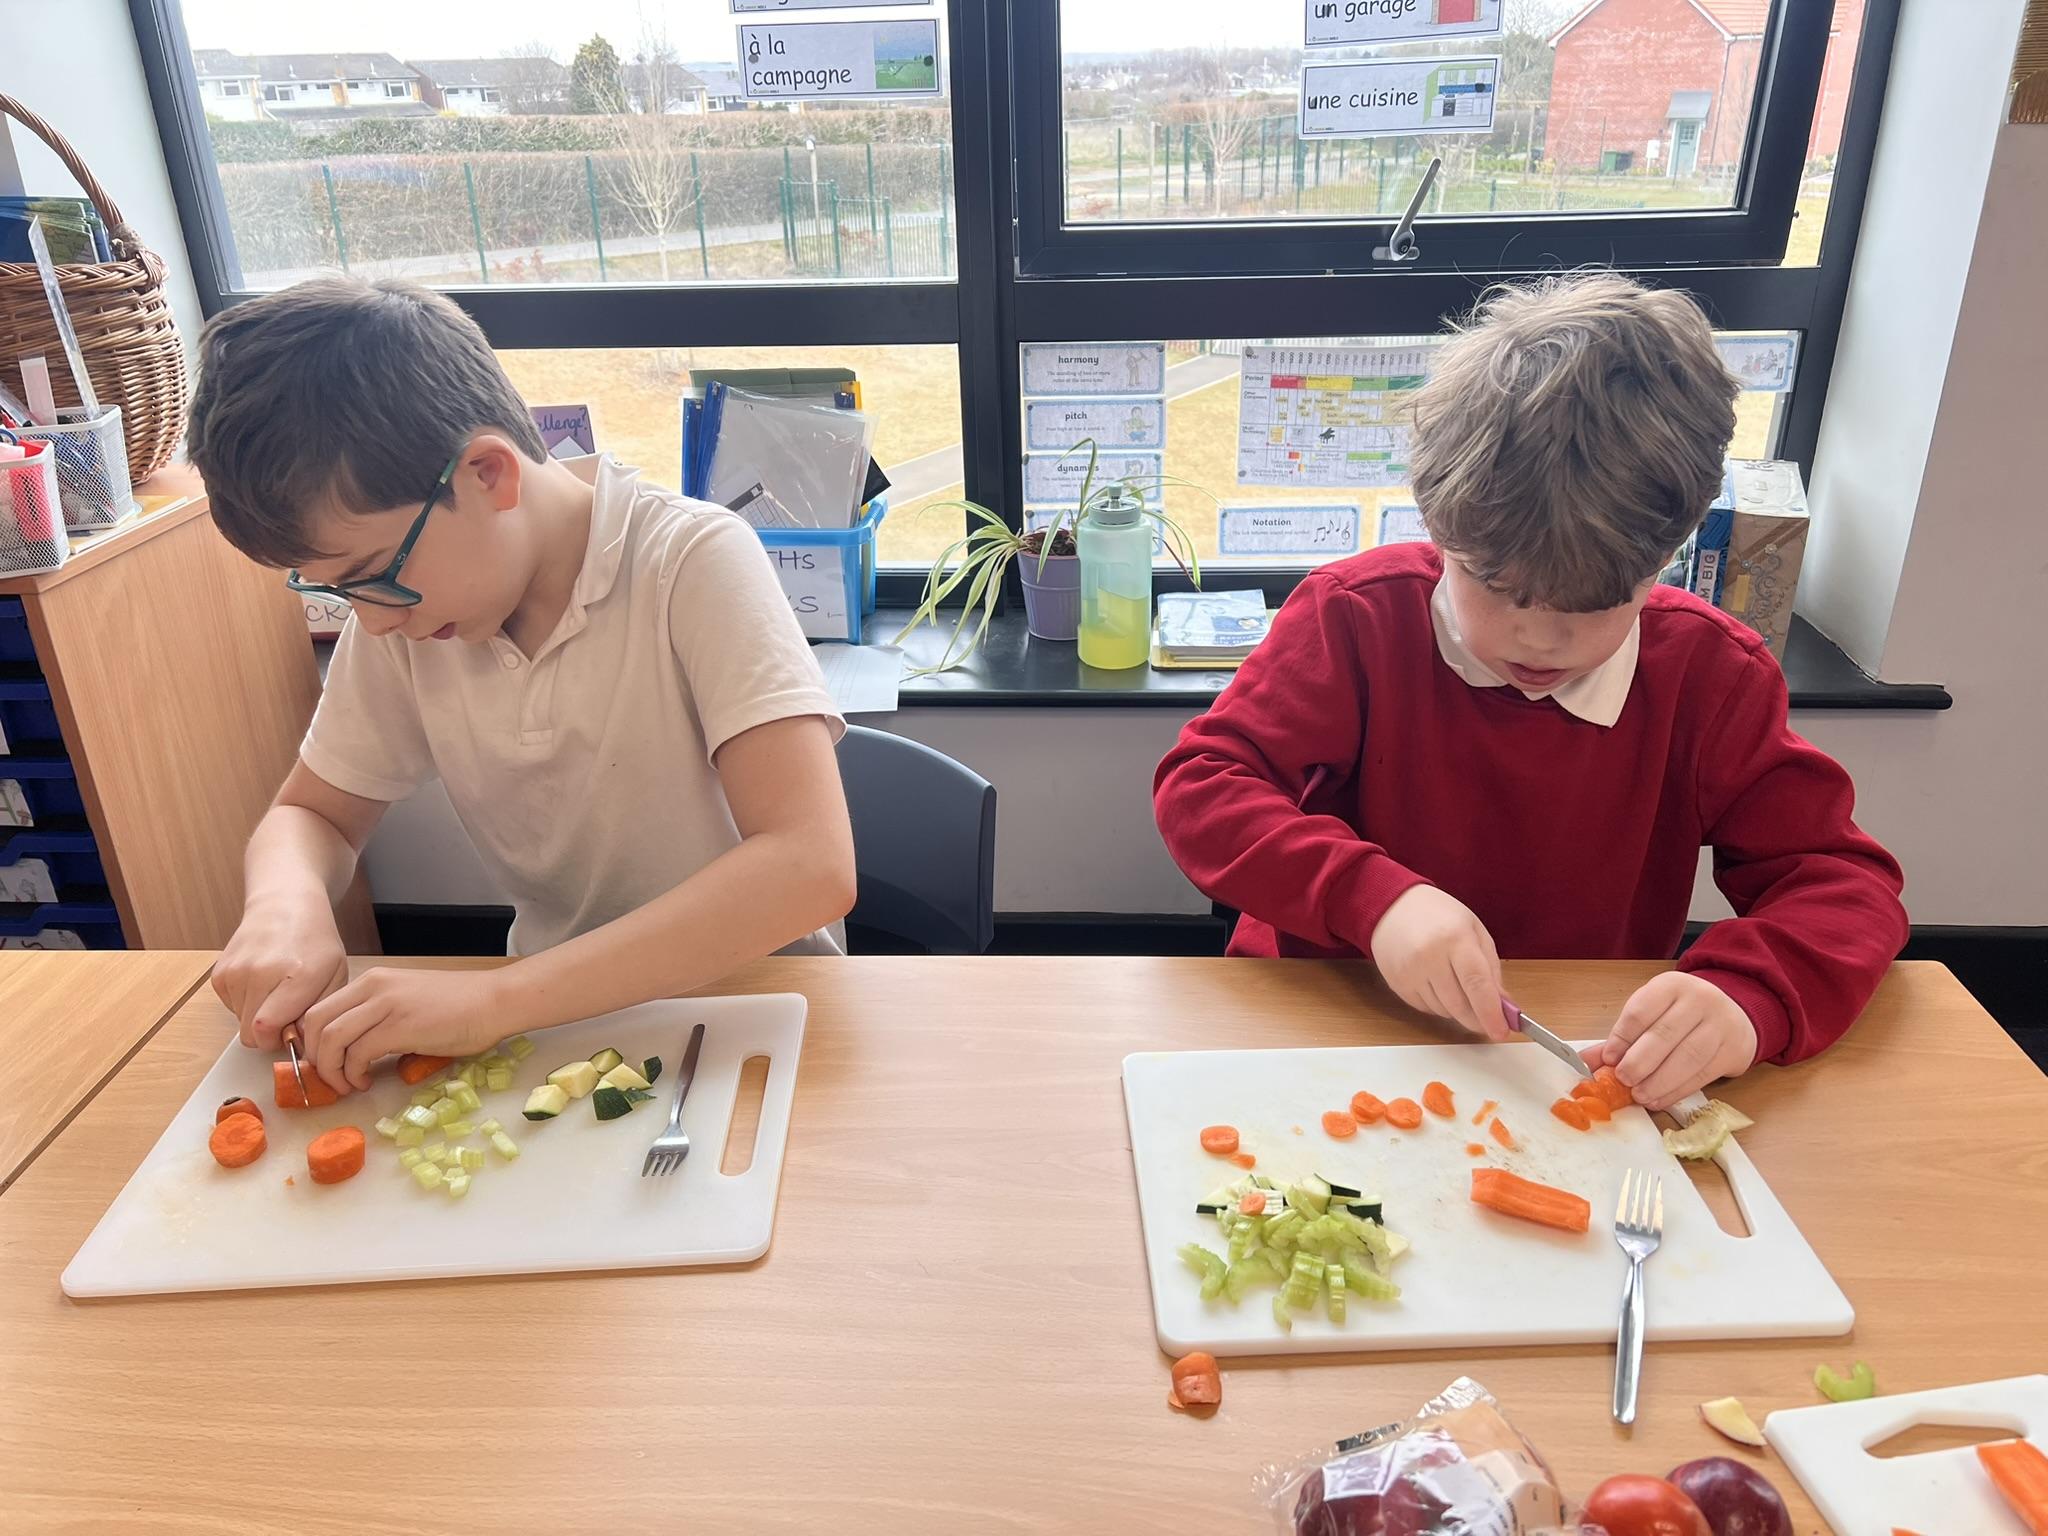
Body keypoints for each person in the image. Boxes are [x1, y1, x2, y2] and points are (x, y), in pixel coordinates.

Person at [1154, 273, 1906, 1110]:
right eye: (1500, 588)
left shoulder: (1711, 675)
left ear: (1665, 560)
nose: (1540, 640)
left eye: (1593, 605)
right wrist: (1374, 902)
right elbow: (1203, 787)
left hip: (1570, 1053)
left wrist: (1748, 996)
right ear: (1439, 525)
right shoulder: (1355, 617)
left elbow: (1842, 886)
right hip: (1325, 1023)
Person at [188, 277, 855, 1094]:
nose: (376, 620)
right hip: (555, 1032)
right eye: (337, 591)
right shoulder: (410, 618)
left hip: (760, 1018)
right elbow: (313, 814)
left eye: (374, 574)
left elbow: (809, 864)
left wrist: (496, 1000)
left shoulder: (690, 561)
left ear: (488, 474)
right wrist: (283, 907)